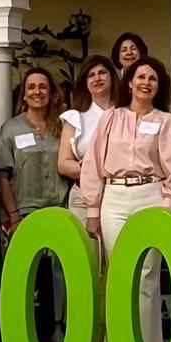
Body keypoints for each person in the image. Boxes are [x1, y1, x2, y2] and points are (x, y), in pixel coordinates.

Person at [80, 56, 171, 342]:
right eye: (140, 77)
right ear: (129, 83)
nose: (146, 83)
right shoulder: (110, 119)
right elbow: (93, 163)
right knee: (119, 274)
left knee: (146, 276)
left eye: (152, 79)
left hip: (150, 195)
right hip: (114, 197)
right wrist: (92, 207)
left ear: (158, 87)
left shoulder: (166, 122)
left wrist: (167, 207)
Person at [0, 67, 68, 342]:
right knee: (25, 272)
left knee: (60, 271)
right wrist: (14, 216)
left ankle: (58, 325)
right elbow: (1, 175)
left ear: (51, 92)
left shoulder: (62, 127)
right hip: (24, 211)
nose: (37, 92)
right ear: (24, 94)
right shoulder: (11, 129)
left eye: (43, 86)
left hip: (59, 208)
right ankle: (21, 331)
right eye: (32, 87)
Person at [58, 55, 120, 242]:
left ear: (112, 77)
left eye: (102, 73)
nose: (97, 78)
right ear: (85, 83)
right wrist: (95, 170)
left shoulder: (126, 113)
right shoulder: (75, 117)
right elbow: (63, 164)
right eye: (91, 75)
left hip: (119, 195)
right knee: (88, 255)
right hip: (83, 197)